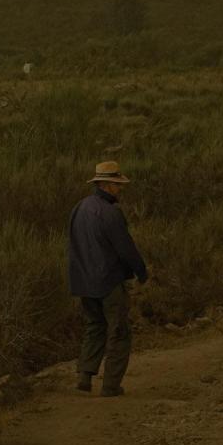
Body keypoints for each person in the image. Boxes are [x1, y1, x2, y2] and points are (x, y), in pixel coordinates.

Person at [67, 160, 147, 397]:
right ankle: (111, 385)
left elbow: (73, 246)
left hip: (83, 280)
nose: (120, 188)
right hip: (108, 281)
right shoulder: (110, 213)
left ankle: (85, 377)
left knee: (94, 327)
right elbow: (125, 248)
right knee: (119, 331)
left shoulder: (79, 208)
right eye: (117, 184)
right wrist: (141, 271)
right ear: (107, 185)